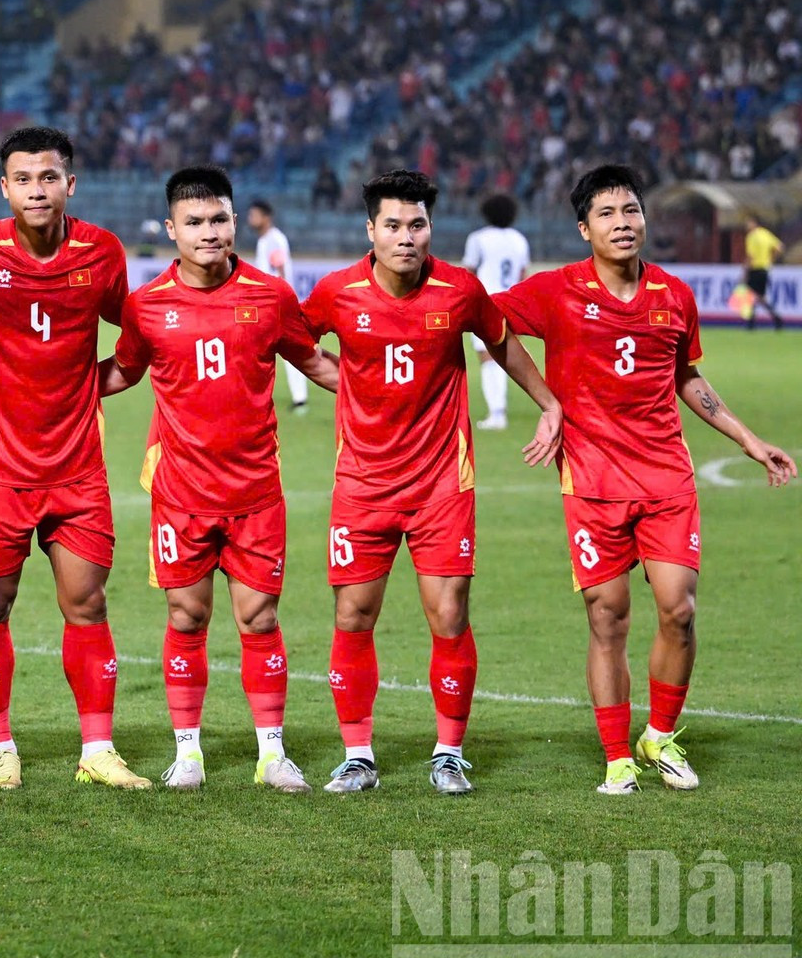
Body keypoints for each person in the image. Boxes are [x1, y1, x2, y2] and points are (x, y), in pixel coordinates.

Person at [497, 164, 794, 793]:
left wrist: (749, 440)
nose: (622, 223)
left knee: (678, 611)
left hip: (665, 479)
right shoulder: (554, 291)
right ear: (583, 228)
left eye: (630, 210)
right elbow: (489, 328)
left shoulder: (674, 296)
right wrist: (548, 403)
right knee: (608, 618)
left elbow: (686, 377)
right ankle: (616, 757)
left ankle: (659, 736)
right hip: (593, 479)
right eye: (606, 214)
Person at [300, 169, 562, 796]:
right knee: (354, 613)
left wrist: (549, 403)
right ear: (371, 230)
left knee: (448, 614)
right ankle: (357, 754)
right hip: (362, 483)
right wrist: (343, 382)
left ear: (430, 227)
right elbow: (295, 342)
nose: (406, 237)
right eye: (392, 225)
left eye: (416, 224)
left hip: (444, 482)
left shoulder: (460, 289)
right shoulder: (338, 292)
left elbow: (502, 342)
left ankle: (448, 752)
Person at [98, 165, 339, 792]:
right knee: (186, 616)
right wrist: (52, 391)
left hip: (256, 491)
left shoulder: (270, 296)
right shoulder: (146, 306)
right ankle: (188, 754)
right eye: (195, 222)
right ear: (172, 229)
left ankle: (272, 754)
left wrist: (403, 387)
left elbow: (315, 362)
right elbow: (122, 372)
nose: (209, 232)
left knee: (259, 619)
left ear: (235, 223)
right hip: (181, 494)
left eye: (219, 220)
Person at [0, 126, 146, 791]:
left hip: (77, 469)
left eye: (49, 177)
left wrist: (95, 383)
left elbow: (138, 336)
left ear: (71, 183)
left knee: (87, 602)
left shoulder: (102, 251)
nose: (38, 190)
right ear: (5, 187)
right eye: (24, 179)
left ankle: (98, 748)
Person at [461, 193, 533, 428]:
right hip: (512, 302)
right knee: (504, 356)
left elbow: (468, 273)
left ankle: (497, 414)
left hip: (487, 302)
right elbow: (523, 275)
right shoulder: (520, 239)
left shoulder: (478, 238)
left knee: (488, 358)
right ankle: (500, 410)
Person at [246, 199, 309, 413]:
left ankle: (299, 398)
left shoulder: (273, 240)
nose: (251, 219)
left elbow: (281, 268)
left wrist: (284, 300)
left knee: (289, 349)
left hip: (276, 303)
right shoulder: (265, 240)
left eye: (254, 215)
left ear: (266, 217)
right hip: (268, 303)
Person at [741, 212, 785, 332]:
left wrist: (745, 271)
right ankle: (761, 320)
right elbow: (780, 247)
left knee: (752, 295)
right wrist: (771, 260)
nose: (747, 225)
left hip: (755, 269)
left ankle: (755, 322)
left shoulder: (752, 236)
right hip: (765, 269)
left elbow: (750, 256)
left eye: (748, 222)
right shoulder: (766, 234)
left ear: (754, 223)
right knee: (759, 296)